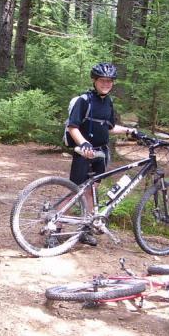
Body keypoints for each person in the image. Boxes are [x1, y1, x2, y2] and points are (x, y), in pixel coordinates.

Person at [65, 62, 137, 246]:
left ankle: (85, 229)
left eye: (109, 81)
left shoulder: (108, 102)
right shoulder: (84, 100)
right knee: (76, 191)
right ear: (95, 81)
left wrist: (130, 131)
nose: (106, 84)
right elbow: (72, 127)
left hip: (101, 153)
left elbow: (110, 127)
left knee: (91, 191)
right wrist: (84, 143)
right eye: (102, 80)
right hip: (85, 152)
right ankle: (54, 226)